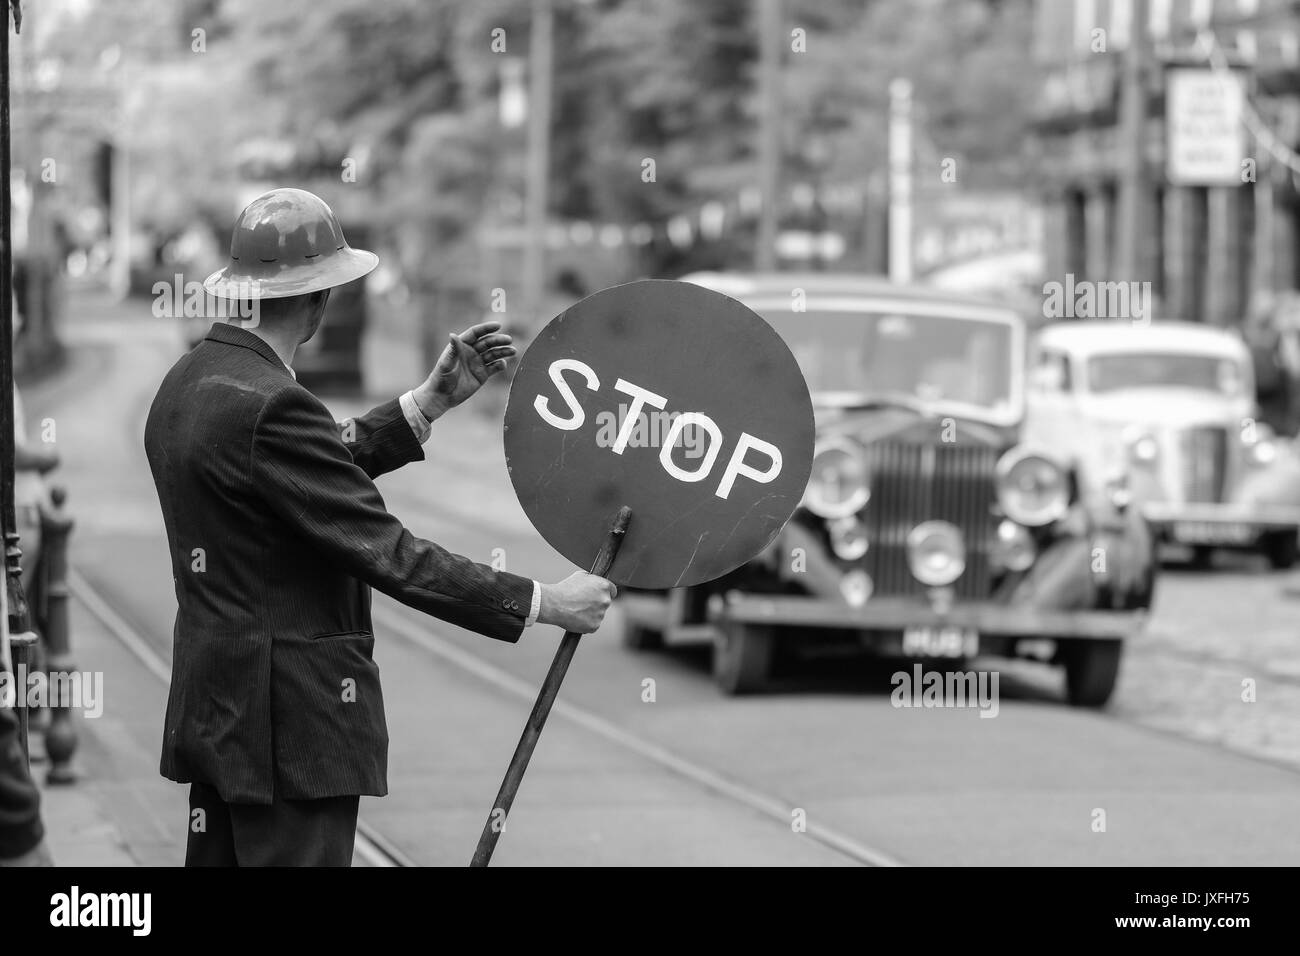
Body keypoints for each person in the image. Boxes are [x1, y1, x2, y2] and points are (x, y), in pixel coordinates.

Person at [143, 188, 615, 866]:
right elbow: (393, 555)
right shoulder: (276, 406)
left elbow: (293, 472)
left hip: (219, 710)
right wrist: (546, 602)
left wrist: (424, 405)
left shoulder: (188, 382)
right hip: (291, 734)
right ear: (320, 300)